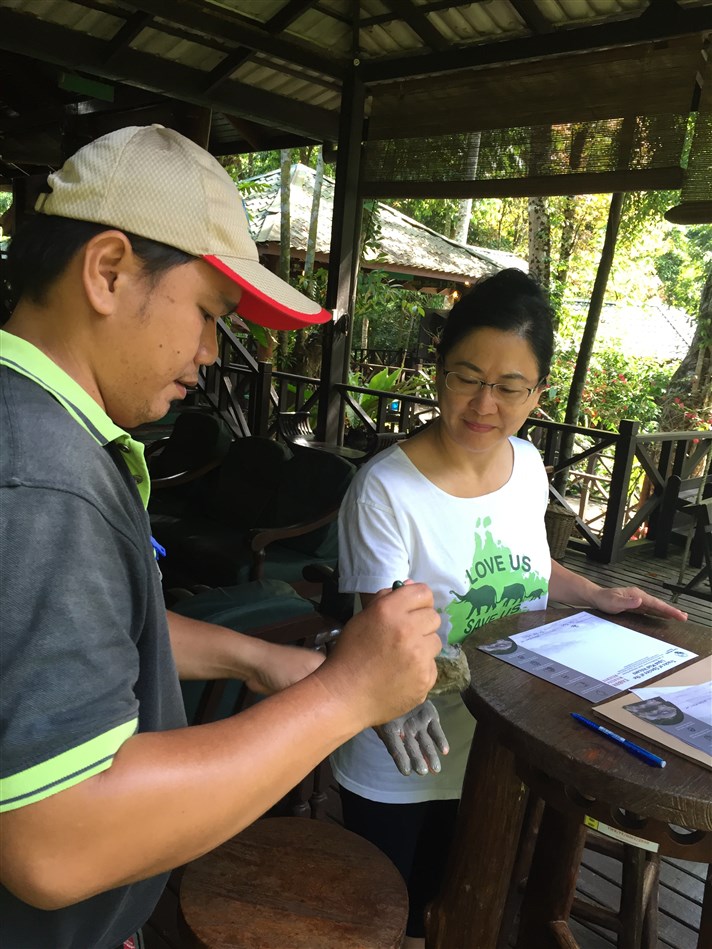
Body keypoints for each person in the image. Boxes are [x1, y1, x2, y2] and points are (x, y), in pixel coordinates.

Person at [0, 124, 443, 949]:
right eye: (208, 313)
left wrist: (256, 658)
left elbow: (77, 631)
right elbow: (56, 841)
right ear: (107, 270)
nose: (210, 352)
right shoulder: (43, 479)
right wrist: (343, 696)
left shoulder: (32, 430)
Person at [331, 268, 688, 948]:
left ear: (538, 393)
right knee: (396, 924)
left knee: (471, 908)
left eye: (509, 386)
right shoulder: (385, 490)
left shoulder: (526, 466)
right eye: (466, 377)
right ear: (439, 370)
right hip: (407, 752)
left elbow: (528, 563)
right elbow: (383, 633)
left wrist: (596, 593)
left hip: (505, 745)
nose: (483, 404)